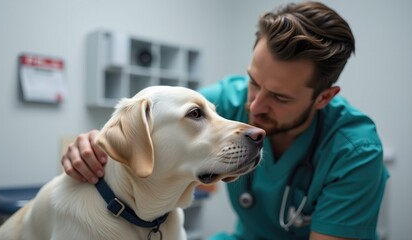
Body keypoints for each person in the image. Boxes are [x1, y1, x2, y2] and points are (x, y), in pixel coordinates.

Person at [61, 1, 389, 239]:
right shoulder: (226, 102)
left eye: (280, 97)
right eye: (254, 83)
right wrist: (94, 143)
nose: (255, 107)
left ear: (324, 98)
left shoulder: (356, 152)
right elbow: (159, 122)